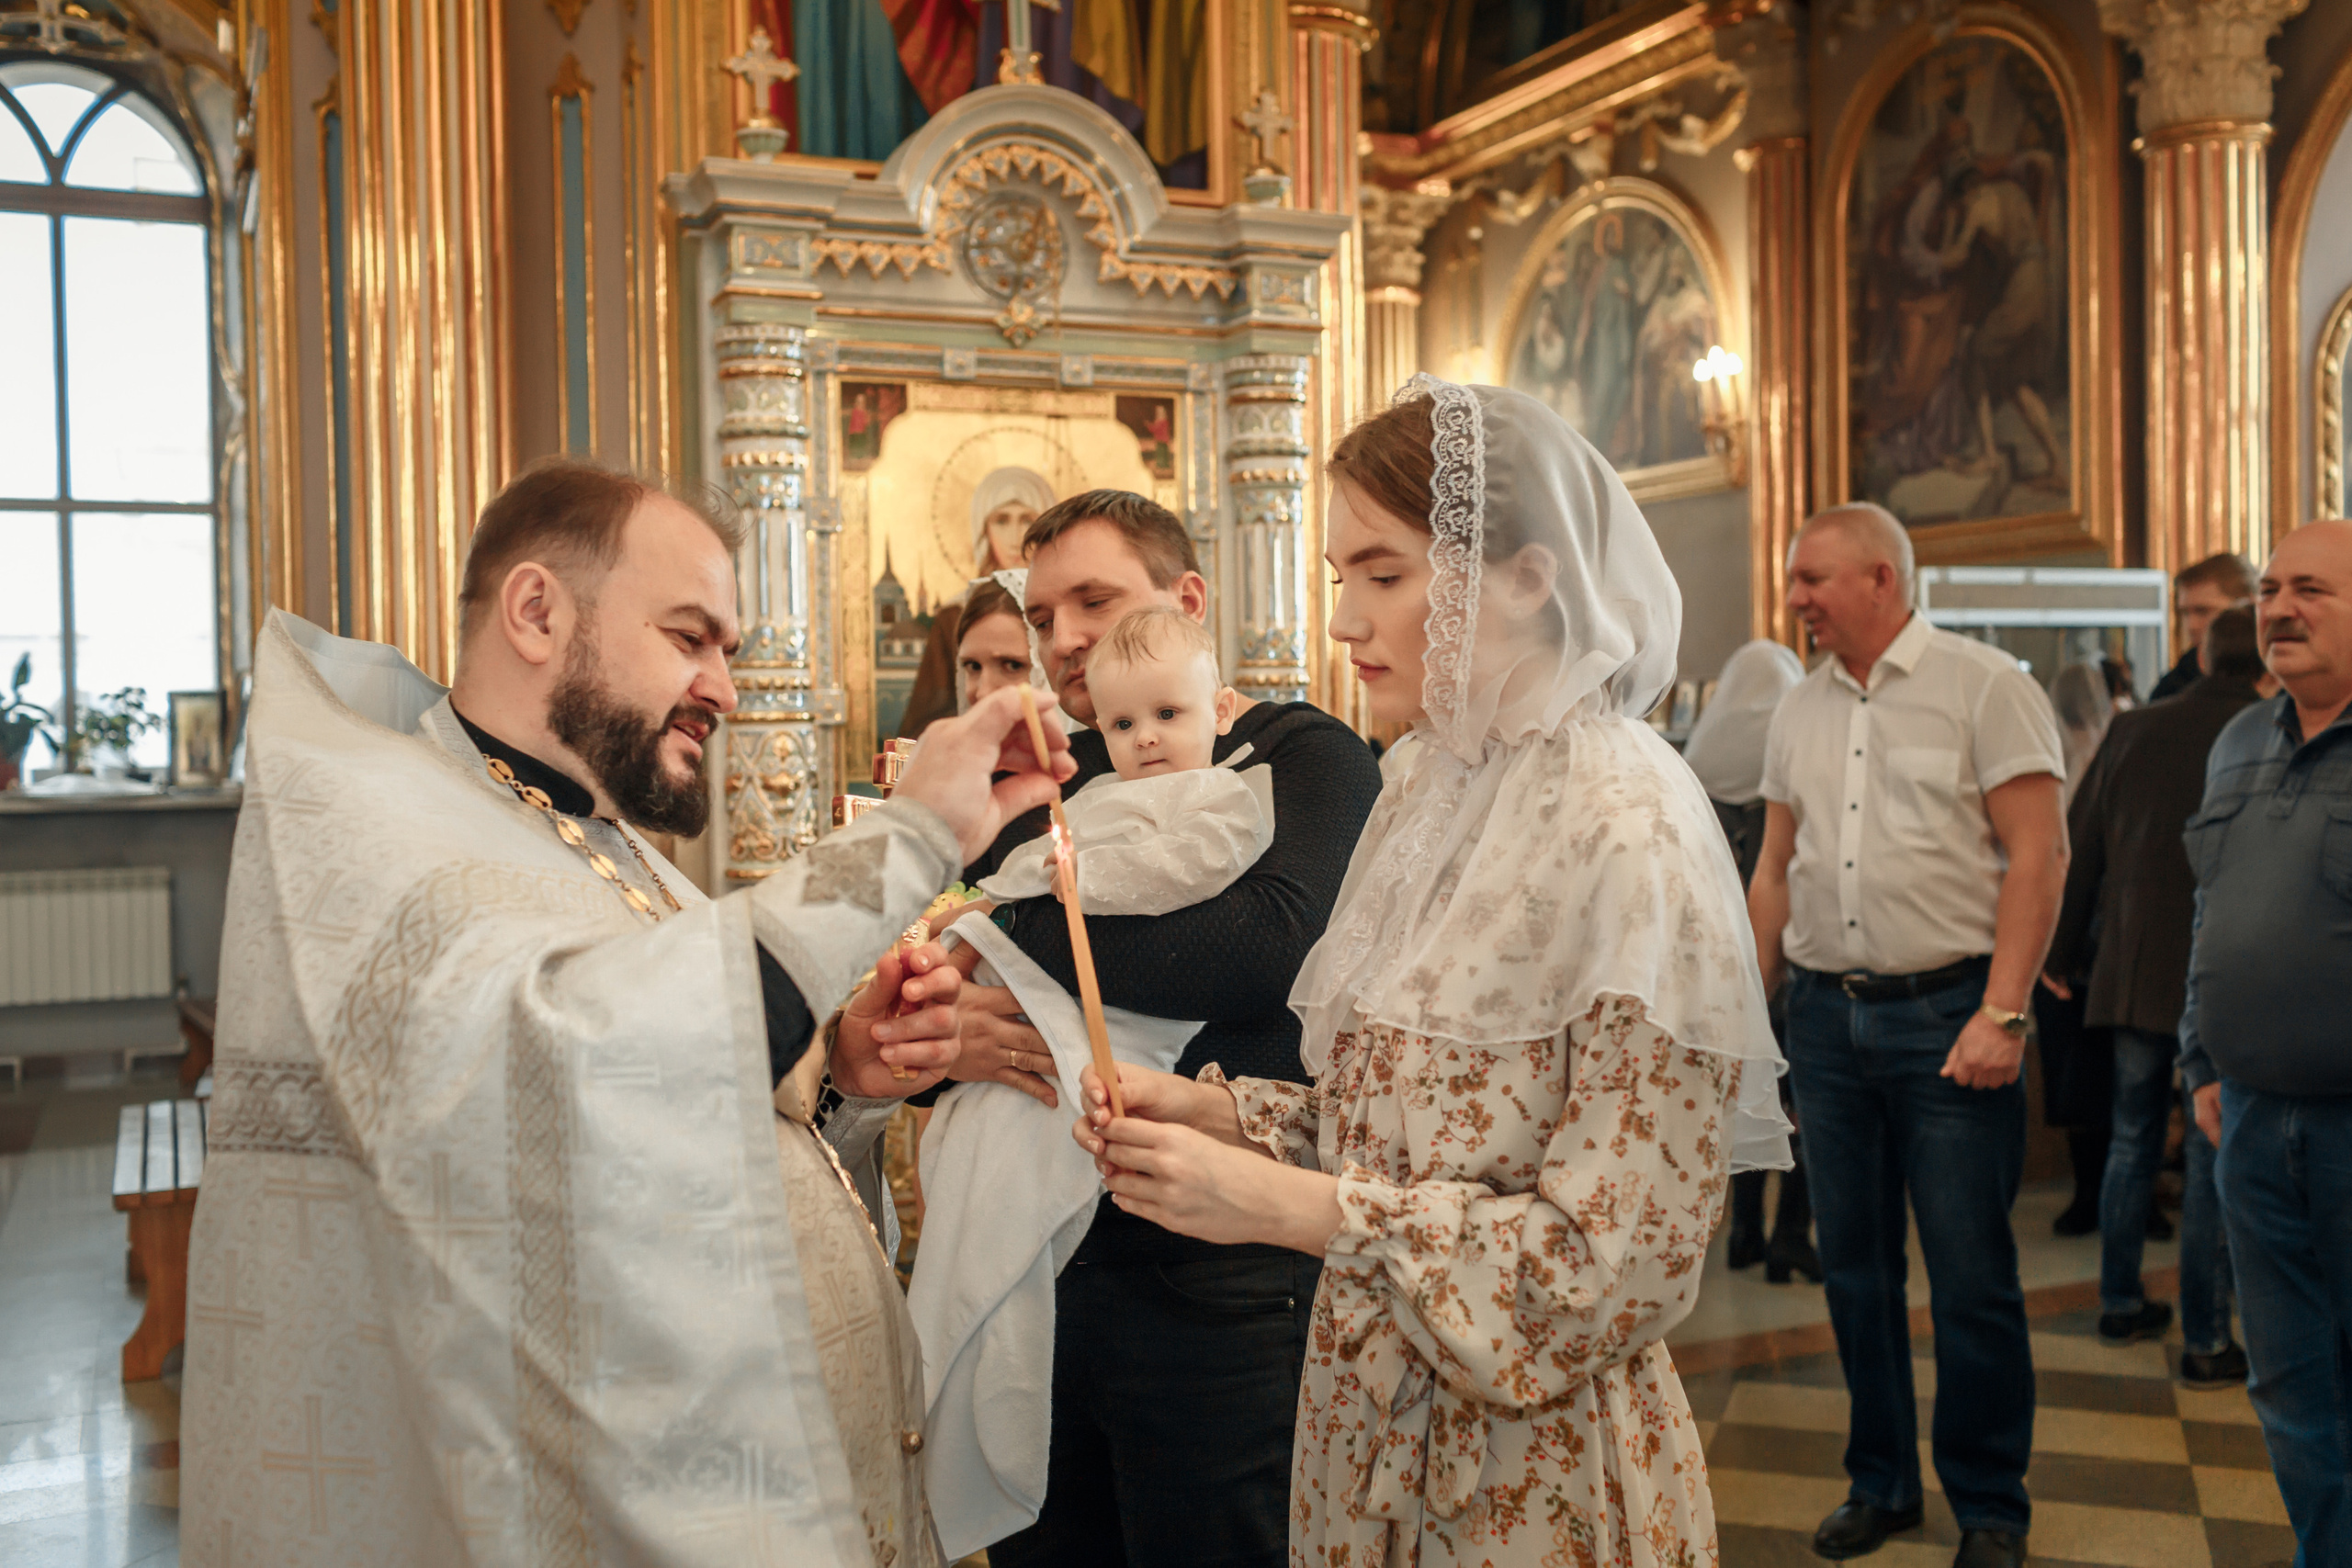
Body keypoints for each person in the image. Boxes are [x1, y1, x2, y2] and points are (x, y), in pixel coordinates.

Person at [181, 458, 1075, 1568]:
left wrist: (839, 1064)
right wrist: (909, 835)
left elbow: (681, 1087)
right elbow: (582, 1074)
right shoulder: (389, 827)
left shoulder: (596, 842)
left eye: (729, 652)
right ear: (538, 612)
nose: (725, 688)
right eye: (689, 637)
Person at [1073, 378, 1791, 1567]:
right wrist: (1223, 1114)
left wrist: (1283, 1207)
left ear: (1526, 576)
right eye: (1339, 576)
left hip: (1531, 1468)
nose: (1345, 621)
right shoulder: (1426, 786)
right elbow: (1412, 1129)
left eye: (1384, 574)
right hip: (1367, 1422)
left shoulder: (1629, 822)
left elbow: (1623, 1260)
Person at [946, 488, 1385, 1568]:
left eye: (1090, 600)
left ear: (1184, 600)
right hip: (1044, 1252)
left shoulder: (1304, 751)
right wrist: (943, 1033)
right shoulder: (1063, 778)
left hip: (1221, 1266)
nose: (1062, 642)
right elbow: (962, 960)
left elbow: (1266, 948)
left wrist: (1014, 918)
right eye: (1040, 619)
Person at [912, 606, 1276, 1560]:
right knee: (978, 1152)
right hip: (1037, 1043)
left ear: (1221, 706)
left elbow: (1167, 882)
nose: (1145, 741)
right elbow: (1049, 872)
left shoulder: (1234, 792)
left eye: (1166, 714)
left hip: (1140, 1074)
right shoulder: (1091, 797)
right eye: (1121, 727)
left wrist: (1005, 909)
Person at [1748, 502, 2066, 1568]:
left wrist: (2003, 1012)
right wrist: (1752, 1011)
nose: (1795, 599)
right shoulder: (1796, 708)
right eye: (1795, 581)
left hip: (1949, 1015)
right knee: (1853, 1269)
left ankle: (1989, 1505)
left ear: (1880, 579)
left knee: (1971, 1275)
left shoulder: (1986, 686)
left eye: (1811, 579)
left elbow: (2039, 856)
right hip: (1828, 1022)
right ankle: (1879, 1482)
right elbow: (1774, 869)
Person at [2178, 520, 2352, 1564]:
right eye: (2271, 589)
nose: (2278, 608)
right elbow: (2212, 913)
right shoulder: (2237, 740)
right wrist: (2199, 1057)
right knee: (2287, 1387)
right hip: (2246, 1121)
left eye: (2312, 591)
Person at [2045, 607, 2263, 1377]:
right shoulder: (2269, 729)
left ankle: (2117, 1300)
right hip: (2229, 971)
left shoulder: (2137, 727)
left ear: (2202, 657)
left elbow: (2082, 840)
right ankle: (2206, 1336)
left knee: (2132, 1138)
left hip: (2136, 967)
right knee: (2208, 1146)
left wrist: (2059, 952)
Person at [1685, 638, 1820, 1283]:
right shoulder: (1793, 749)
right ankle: (1791, 1233)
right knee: (1798, 1105)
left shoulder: (1701, 761)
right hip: (1789, 959)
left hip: (1719, 971)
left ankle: (1741, 1232)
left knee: (1741, 1097)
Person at [2039, 661, 2120, 1237]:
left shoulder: (2063, 755)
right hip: (2105, 934)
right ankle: (2114, 1197)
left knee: (2077, 1072)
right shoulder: (2119, 747)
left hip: (2064, 933)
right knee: (2111, 1073)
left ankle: (2092, 1192)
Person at [900, 466, 1058, 737]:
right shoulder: (954, 616)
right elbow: (925, 723)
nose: (1015, 536)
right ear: (982, 529)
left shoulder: (1065, 614)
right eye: (1001, 520)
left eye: (1027, 520)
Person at [2148, 551, 2257, 702]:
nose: (2191, 626)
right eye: (2185, 613)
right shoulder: (2174, 683)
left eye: (2203, 611)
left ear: (2247, 606)